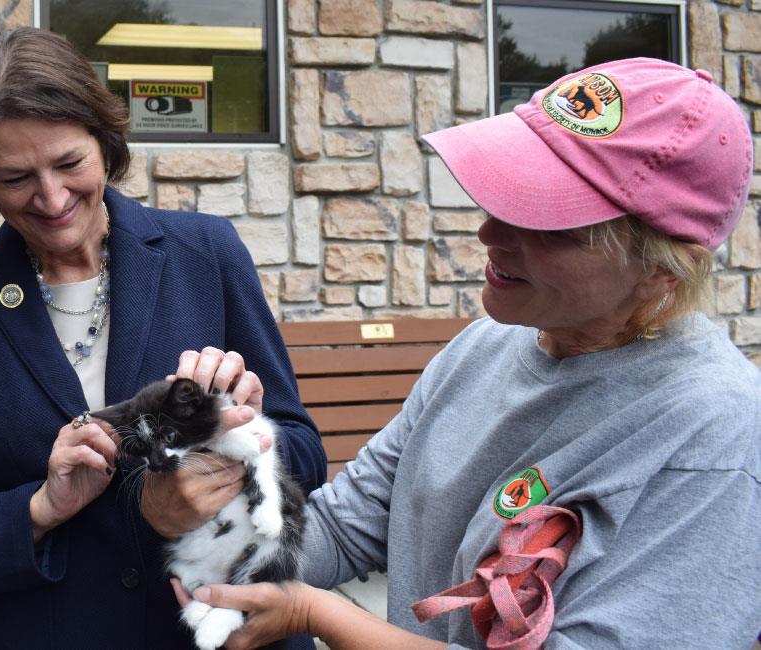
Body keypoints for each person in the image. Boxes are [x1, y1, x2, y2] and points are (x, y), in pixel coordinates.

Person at [172, 58, 761, 648]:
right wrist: (222, 515)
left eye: (552, 223)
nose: (491, 234)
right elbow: (348, 526)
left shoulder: (714, 433)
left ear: (663, 269)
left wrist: (319, 616)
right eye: (509, 192)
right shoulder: (484, 346)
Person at [0, 28, 327, 647]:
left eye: (70, 163)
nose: (51, 197)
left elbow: (306, 452)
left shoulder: (206, 253)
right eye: (16, 177)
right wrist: (42, 507)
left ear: (105, 140)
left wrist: (236, 449)